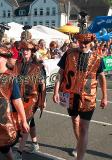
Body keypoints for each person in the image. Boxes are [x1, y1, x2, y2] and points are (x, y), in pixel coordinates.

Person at [53, 32, 108, 160]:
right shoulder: (68, 54)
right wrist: (56, 91)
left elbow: (101, 77)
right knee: (75, 121)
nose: (83, 44)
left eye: (86, 42)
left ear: (91, 42)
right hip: (70, 95)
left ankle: (80, 157)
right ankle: (80, 144)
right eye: (81, 42)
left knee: (84, 127)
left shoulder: (97, 57)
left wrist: (105, 96)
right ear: (78, 41)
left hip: (88, 97)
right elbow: (60, 73)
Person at [13, 40, 46, 160]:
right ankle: (35, 144)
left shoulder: (38, 66)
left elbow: (42, 85)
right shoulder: (17, 64)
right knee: (30, 122)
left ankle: (19, 152)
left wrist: (43, 100)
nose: (25, 51)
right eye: (23, 49)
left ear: (32, 51)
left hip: (32, 99)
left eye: (27, 49)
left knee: (25, 122)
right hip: (19, 98)